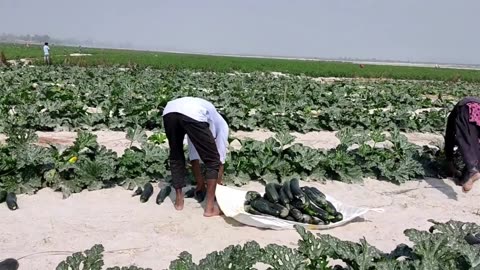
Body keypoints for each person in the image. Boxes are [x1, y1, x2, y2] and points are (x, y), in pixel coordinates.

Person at [162, 97, 227, 217]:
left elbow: (194, 155)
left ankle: (179, 202)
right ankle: (209, 208)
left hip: (169, 112)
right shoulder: (222, 125)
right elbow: (219, 160)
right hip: (191, 113)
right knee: (213, 161)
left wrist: (200, 183)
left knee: (176, 155)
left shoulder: (204, 115)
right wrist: (215, 186)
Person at [186, 111, 228, 201]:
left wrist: (217, 185)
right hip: (197, 123)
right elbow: (194, 159)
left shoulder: (221, 129)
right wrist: (200, 183)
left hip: (216, 127)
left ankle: (217, 185)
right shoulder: (192, 132)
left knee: (217, 157)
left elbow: (220, 161)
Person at [444, 96, 480, 192]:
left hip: (468, 108)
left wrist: (449, 160)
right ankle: (466, 178)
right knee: (475, 145)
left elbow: (449, 138)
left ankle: (472, 171)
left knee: (465, 139)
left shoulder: (454, 116)